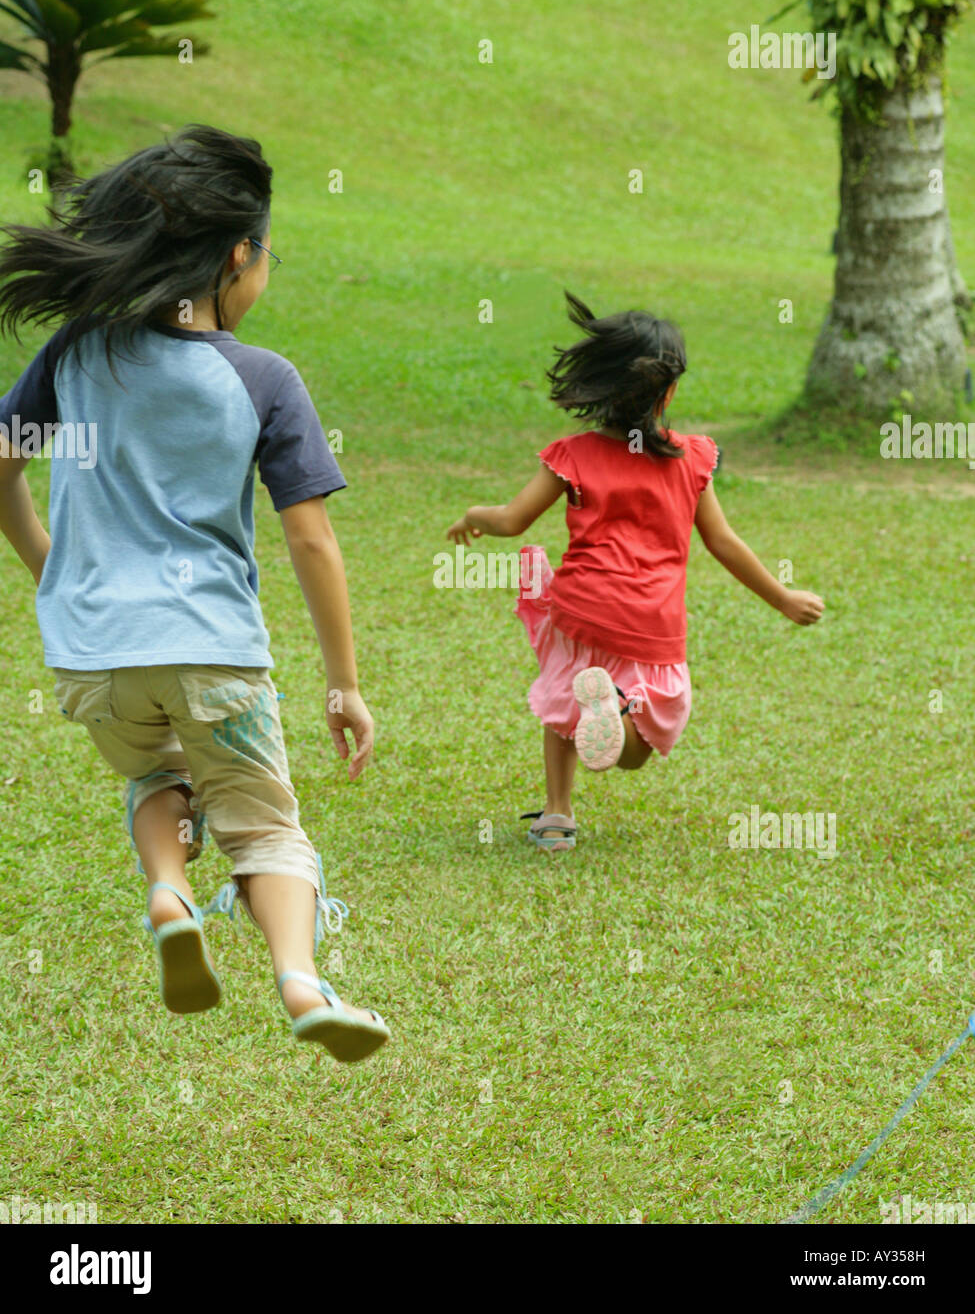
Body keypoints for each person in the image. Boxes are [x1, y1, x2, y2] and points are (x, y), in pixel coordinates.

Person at [0, 126, 388, 1062]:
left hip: (94, 657)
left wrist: (56, 572)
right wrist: (344, 683)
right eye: (266, 258)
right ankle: (301, 979)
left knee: (156, 776)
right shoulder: (262, 378)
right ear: (235, 257)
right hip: (213, 649)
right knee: (266, 828)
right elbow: (309, 538)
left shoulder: (78, 354)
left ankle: (170, 894)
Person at [446, 292, 824, 850]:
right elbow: (722, 541)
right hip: (650, 623)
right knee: (638, 747)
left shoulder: (572, 454)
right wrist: (783, 597)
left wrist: (475, 517)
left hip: (582, 607)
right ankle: (618, 715)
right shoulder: (691, 458)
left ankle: (557, 814)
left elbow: (513, 520)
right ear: (667, 392)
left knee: (561, 699)